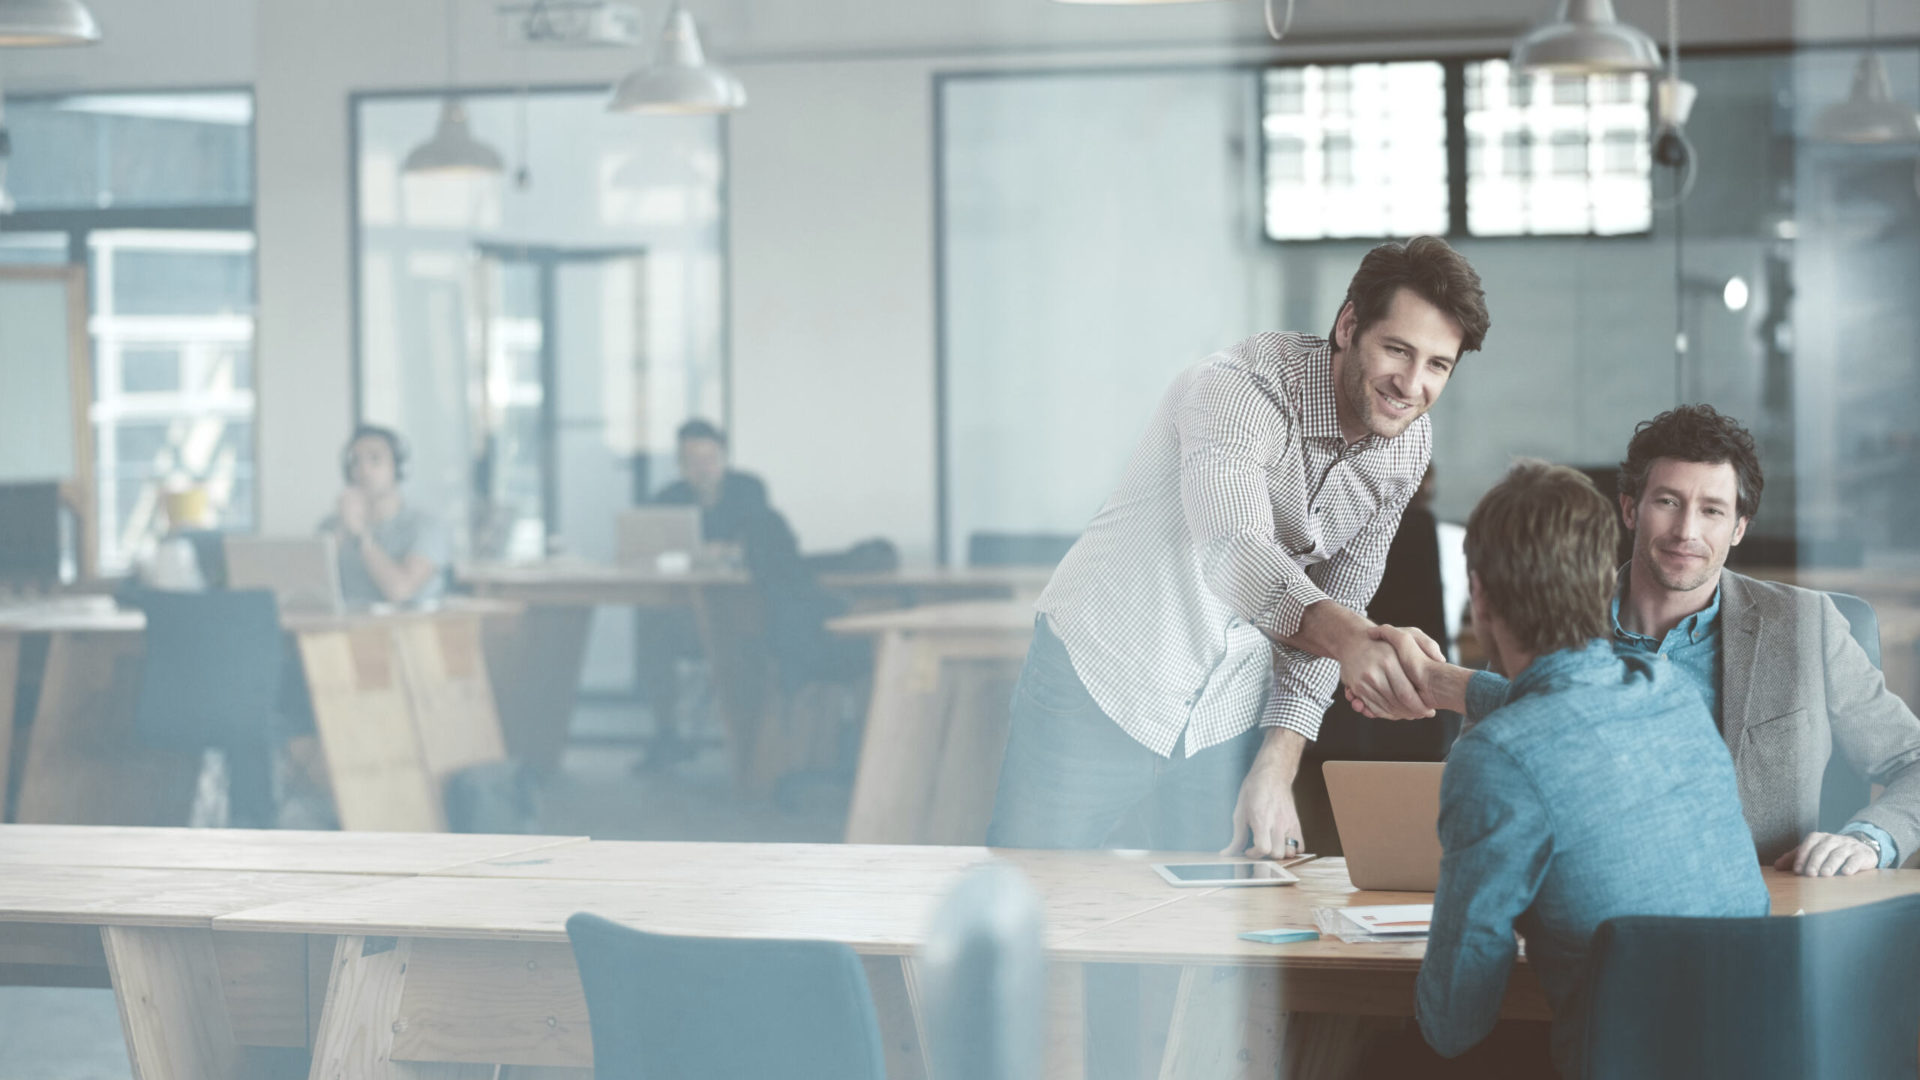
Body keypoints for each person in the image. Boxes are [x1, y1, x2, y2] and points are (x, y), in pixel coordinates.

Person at [986, 236, 1490, 857]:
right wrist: (1353, 639)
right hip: (1103, 679)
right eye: (1397, 349)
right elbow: (1234, 550)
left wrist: (1277, 765)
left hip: (1223, 714)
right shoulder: (1236, 389)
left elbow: (1342, 601)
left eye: (1438, 365)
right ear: (1348, 324)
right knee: (1028, 899)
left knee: (1195, 930)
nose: (1411, 384)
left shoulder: (1407, 447)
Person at [1365, 405, 1920, 875]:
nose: (1687, 533)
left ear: (1740, 527)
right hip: (1582, 912)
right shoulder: (1547, 623)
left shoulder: (1805, 627)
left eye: (1712, 511)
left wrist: (1868, 841)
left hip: (1753, 919)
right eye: (1668, 502)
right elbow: (1477, 779)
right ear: (1630, 508)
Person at [1412, 460, 1768, 1078]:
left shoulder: (1496, 758)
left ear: (1480, 594)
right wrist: (1452, 685)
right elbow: (1570, 705)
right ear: (1605, 577)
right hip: (1762, 1048)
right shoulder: (1662, 687)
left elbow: (1454, 1021)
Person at [320, 424, 451, 606]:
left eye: (375, 459)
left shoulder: (426, 527)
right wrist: (341, 531)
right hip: (341, 628)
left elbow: (400, 591)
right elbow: (307, 590)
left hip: (405, 630)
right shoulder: (331, 526)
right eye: (355, 461)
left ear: (398, 468)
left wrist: (360, 534)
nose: (364, 470)